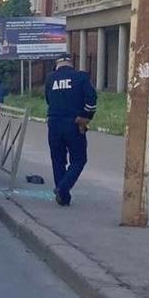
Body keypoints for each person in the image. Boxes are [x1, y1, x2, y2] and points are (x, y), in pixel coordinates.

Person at [44, 52, 97, 207]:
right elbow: (92, 101)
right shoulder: (81, 77)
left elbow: (48, 99)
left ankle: (63, 197)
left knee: (58, 159)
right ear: (71, 64)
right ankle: (62, 188)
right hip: (74, 123)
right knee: (79, 159)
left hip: (53, 122)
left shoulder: (50, 79)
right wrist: (86, 116)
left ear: (57, 65)